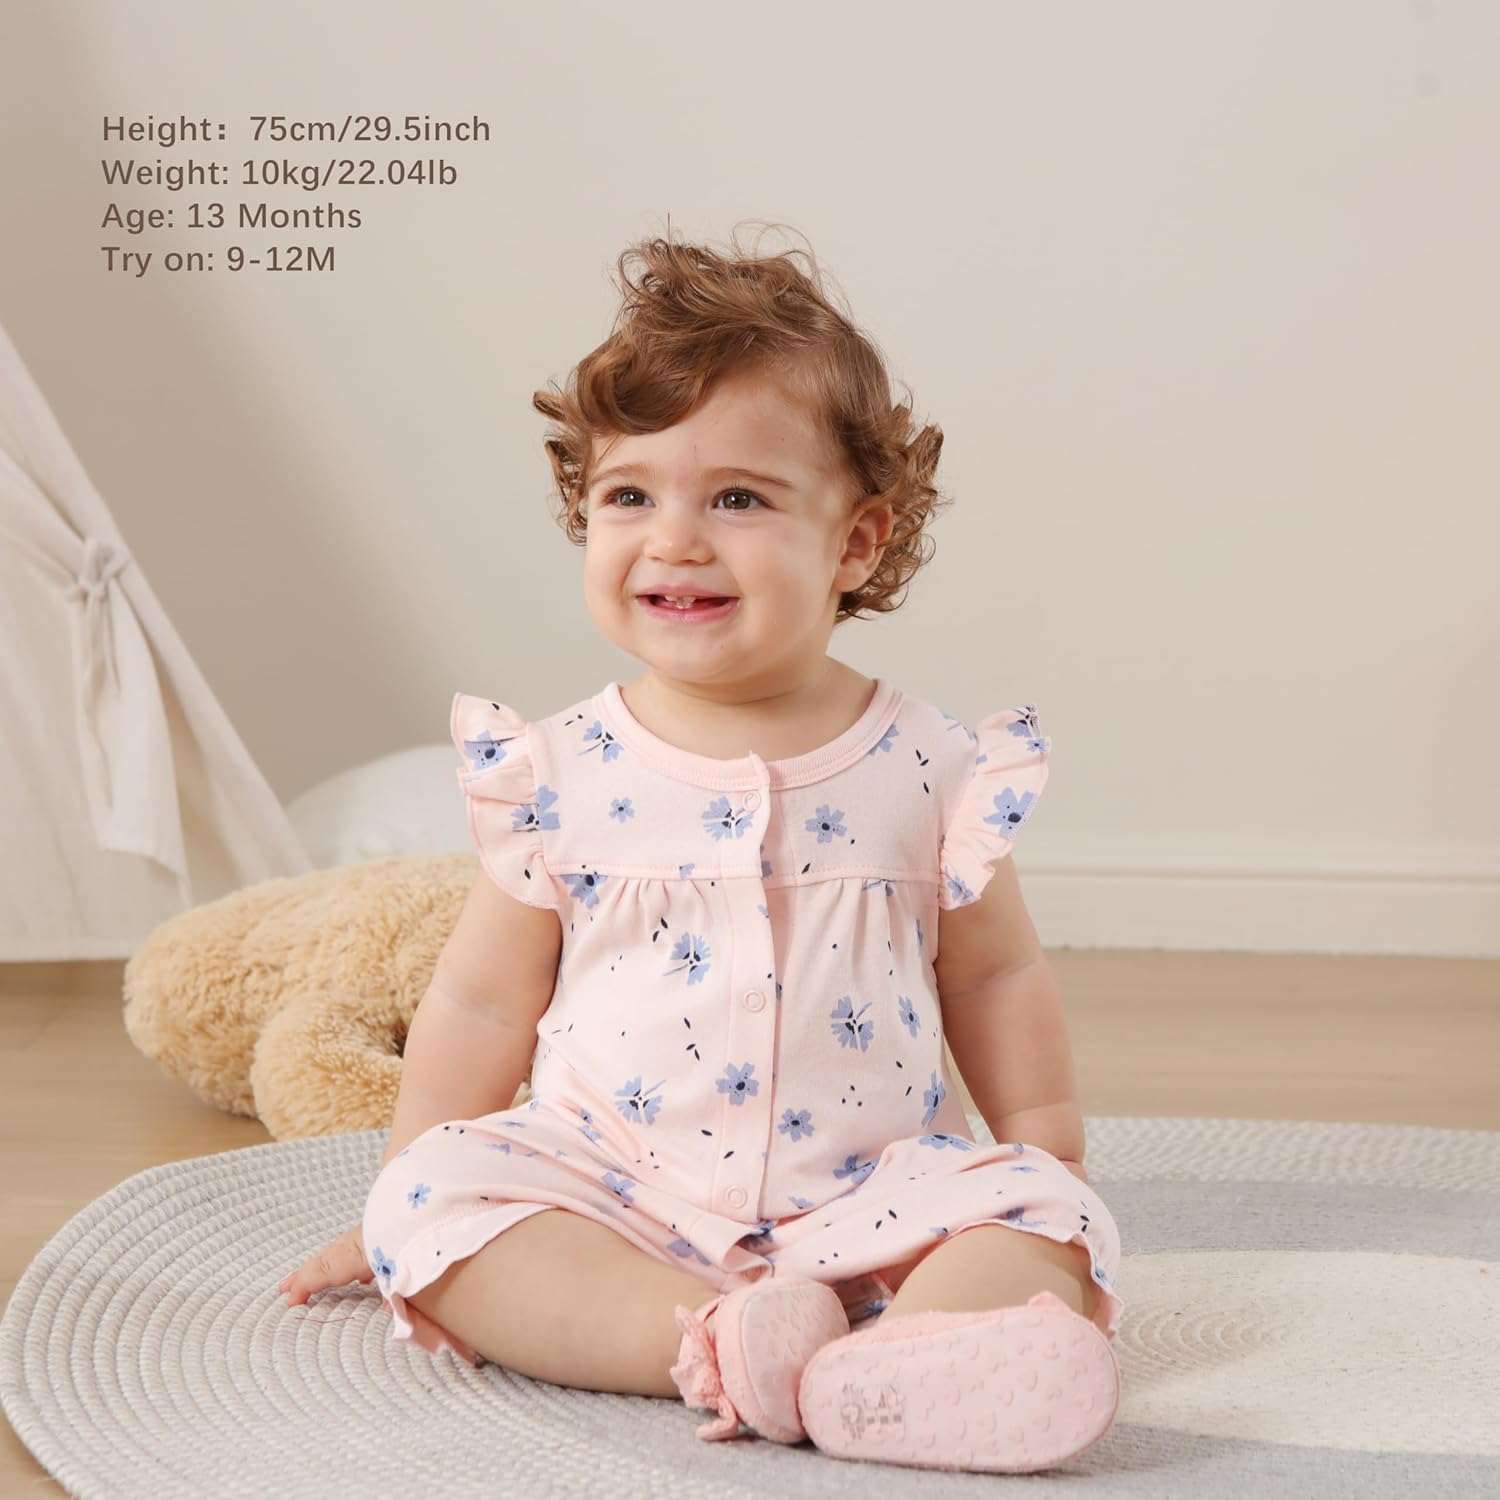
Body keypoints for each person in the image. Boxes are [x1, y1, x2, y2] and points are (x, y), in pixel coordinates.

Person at [279, 223, 1124, 1474]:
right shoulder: (559, 773)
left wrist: (1045, 1154)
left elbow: (996, 977)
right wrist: (402, 1190)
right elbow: (480, 999)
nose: (674, 538)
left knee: (1050, 1221)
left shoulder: (928, 762)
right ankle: (721, 1341)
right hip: (612, 1191)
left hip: (874, 1197)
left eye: (737, 498)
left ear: (856, 542)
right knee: (436, 1207)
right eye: (630, 496)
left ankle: (900, 1363)